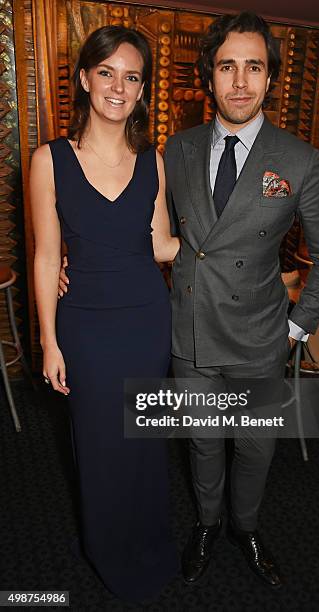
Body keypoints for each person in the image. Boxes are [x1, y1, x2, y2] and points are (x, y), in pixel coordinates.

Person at [163, 11, 319, 587]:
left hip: (261, 336)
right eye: (227, 66)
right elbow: (155, 234)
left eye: (254, 67)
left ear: (269, 80)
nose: (239, 81)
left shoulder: (298, 160)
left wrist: (296, 328)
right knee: (203, 442)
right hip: (191, 332)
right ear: (209, 77)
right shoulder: (179, 148)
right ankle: (209, 524)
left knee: (256, 448)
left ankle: (247, 526)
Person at [30, 26, 179, 603]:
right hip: (86, 328)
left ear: (142, 89)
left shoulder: (154, 162)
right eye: (108, 72)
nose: (120, 86)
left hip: (147, 321)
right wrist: (48, 340)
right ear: (86, 78)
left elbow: (162, 245)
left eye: (133, 76)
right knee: (97, 445)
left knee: (143, 442)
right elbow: (46, 257)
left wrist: (230, 248)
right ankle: (108, 549)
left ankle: (147, 539)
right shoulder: (50, 159)